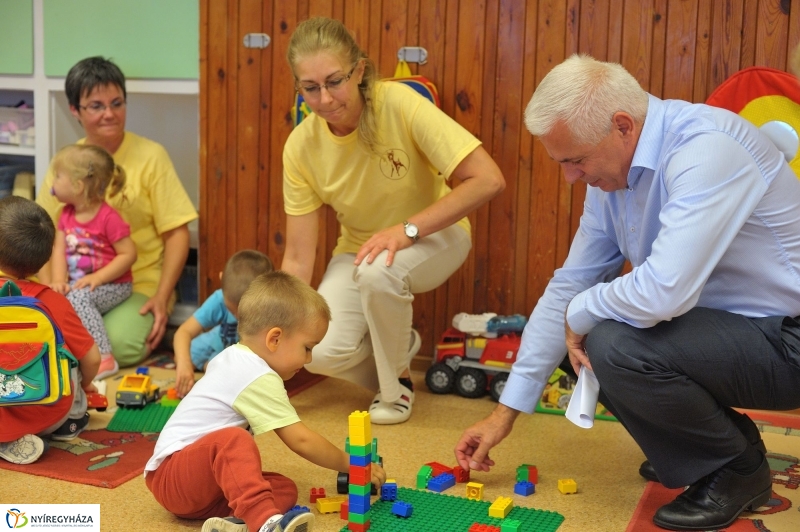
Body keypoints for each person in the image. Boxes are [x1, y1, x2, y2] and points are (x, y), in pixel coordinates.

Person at [455, 54, 800, 532]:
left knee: (611, 342)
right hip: (732, 335)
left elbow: (664, 292)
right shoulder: (612, 176)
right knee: (571, 334)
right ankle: (696, 447)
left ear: (622, 125)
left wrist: (580, 312)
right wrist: (503, 414)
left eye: (574, 160)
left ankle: (737, 469)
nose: (570, 177)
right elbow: (570, 284)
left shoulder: (707, 148)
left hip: (789, 342)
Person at [281, 17, 506, 425]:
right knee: (316, 352)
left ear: (360, 70)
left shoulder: (398, 103)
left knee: (377, 274)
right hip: (359, 250)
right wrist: (275, 334)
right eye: (310, 88)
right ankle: (396, 350)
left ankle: (395, 388)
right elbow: (297, 257)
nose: (325, 99)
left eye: (335, 81)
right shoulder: (300, 146)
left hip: (437, 235)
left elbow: (488, 179)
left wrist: (407, 230)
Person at [145, 270, 386, 532]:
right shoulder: (255, 373)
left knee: (283, 488)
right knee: (234, 441)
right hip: (172, 476)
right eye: (307, 348)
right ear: (275, 339)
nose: (308, 360)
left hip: (199, 489)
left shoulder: (235, 357)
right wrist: (351, 464)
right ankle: (266, 524)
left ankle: (236, 524)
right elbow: (301, 440)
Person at [36, 56, 198, 373]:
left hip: (135, 284)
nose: (109, 114)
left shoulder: (152, 156)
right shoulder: (65, 163)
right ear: (75, 111)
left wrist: (163, 297)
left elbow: (176, 232)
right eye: (96, 106)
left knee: (120, 344)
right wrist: (50, 293)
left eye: (117, 103)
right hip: (72, 285)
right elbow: (45, 233)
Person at [0, 197, 101, 464]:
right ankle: (68, 426)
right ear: (44, 259)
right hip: (45, 416)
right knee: (72, 361)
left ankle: (6, 437)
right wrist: (86, 384)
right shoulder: (52, 301)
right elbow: (92, 359)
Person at [47, 144, 137, 380]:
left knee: (77, 298)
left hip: (114, 285)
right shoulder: (65, 214)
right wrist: (58, 281)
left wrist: (98, 277)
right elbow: (59, 249)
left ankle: (105, 358)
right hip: (80, 284)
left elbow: (128, 254)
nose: (53, 182)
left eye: (58, 176)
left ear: (77, 186)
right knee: (56, 300)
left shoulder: (109, 218)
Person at [172, 249, 274, 397]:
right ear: (221, 280)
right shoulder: (218, 298)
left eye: (245, 313)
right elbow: (183, 332)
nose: (238, 317)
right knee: (183, 353)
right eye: (233, 311)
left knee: (231, 376)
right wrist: (184, 363)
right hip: (219, 339)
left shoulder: (272, 306)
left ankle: (210, 364)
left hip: (245, 355)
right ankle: (209, 362)